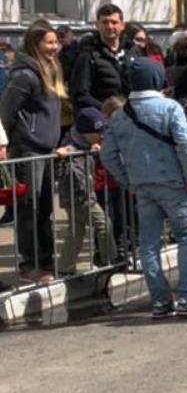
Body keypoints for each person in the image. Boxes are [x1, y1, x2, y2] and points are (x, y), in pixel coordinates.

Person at [100, 57, 187, 319]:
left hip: (142, 185)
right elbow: (184, 144)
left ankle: (160, 301)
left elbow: (107, 155)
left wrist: (127, 180)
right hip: (174, 182)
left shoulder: (119, 114)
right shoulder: (170, 108)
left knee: (148, 244)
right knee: (186, 237)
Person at [0, 20, 67, 283]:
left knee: (43, 209)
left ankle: (47, 261)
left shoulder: (51, 70)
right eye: (49, 42)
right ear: (35, 44)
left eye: (55, 42)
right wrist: (11, 143)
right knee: (29, 209)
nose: (54, 47)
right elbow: (6, 112)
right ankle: (30, 264)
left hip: (47, 149)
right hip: (28, 150)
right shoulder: (24, 75)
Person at [54, 108, 118, 274]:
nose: (101, 136)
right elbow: (61, 173)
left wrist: (95, 153)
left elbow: (88, 166)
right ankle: (109, 260)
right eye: (98, 132)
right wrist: (59, 158)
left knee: (76, 231)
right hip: (78, 196)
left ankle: (64, 268)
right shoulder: (69, 147)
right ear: (85, 133)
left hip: (83, 193)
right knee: (104, 224)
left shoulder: (86, 144)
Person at [70, 3, 130, 113]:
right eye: (105, 22)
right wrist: (108, 109)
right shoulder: (87, 56)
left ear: (122, 25)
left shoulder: (131, 53)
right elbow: (80, 94)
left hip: (130, 117)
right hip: (103, 119)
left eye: (114, 22)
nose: (110, 26)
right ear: (97, 25)